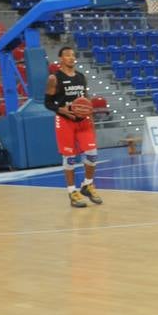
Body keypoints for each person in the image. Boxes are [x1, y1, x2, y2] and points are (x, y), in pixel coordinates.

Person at [44, 45, 102, 207]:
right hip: (64, 121)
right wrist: (61, 109)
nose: (71, 57)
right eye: (67, 55)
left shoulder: (81, 77)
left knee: (92, 154)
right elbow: (47, 103)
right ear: (61, 59)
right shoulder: (54, 78)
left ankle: (87, 185)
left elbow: (86, 100)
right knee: (69, 158)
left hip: (83, 122)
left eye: (73, 55)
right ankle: (72, 192)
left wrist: (91, 118)